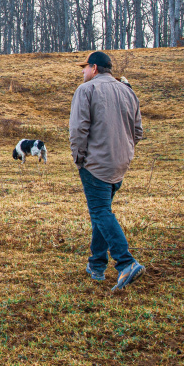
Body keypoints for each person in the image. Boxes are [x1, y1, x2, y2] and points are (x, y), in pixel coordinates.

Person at [69, 51, 145, 291]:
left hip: (96, 165)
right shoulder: (128, 91)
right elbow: (138, 131)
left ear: (94, 68)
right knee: (101, 213)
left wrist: (79, 158)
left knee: (101, 212)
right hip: (120, 163)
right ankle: (96, 265)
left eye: (84, 68)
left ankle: (125, 262)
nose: (83, 72)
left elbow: (78, 129)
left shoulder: (87, 90)